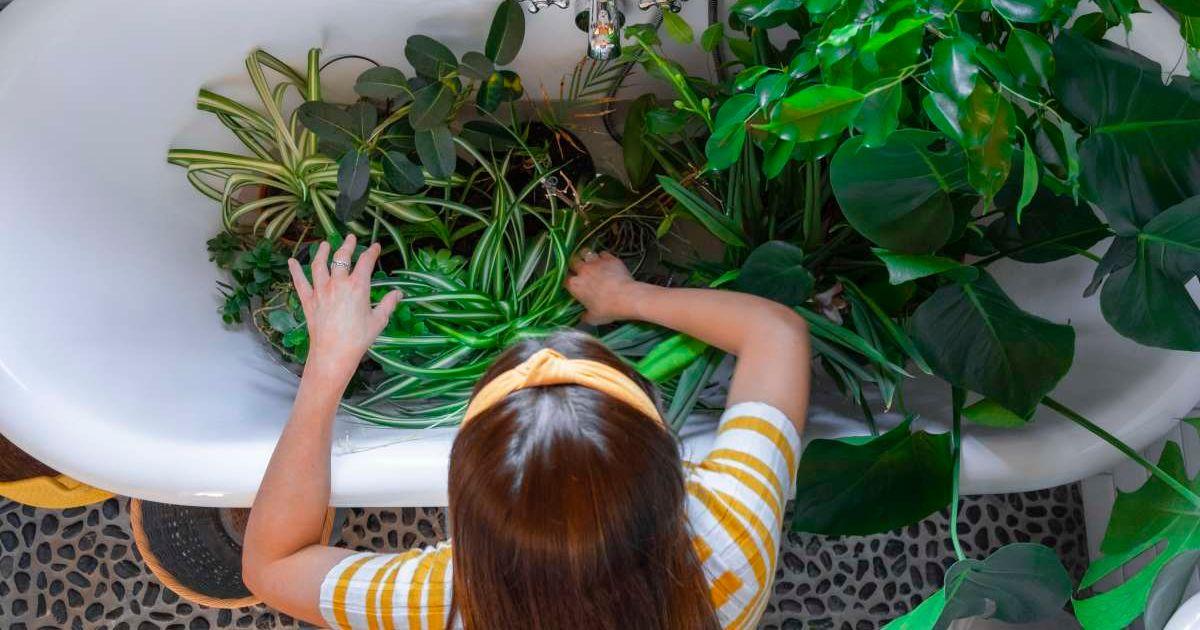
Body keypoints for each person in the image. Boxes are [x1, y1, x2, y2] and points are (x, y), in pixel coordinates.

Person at [241, 234, 811, 629]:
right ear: (667, 460)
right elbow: (777, 333)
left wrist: (327, 366)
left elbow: (273, 565)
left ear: (462, 505)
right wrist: (626, 297)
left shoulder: (439, 603)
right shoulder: (733, 539)